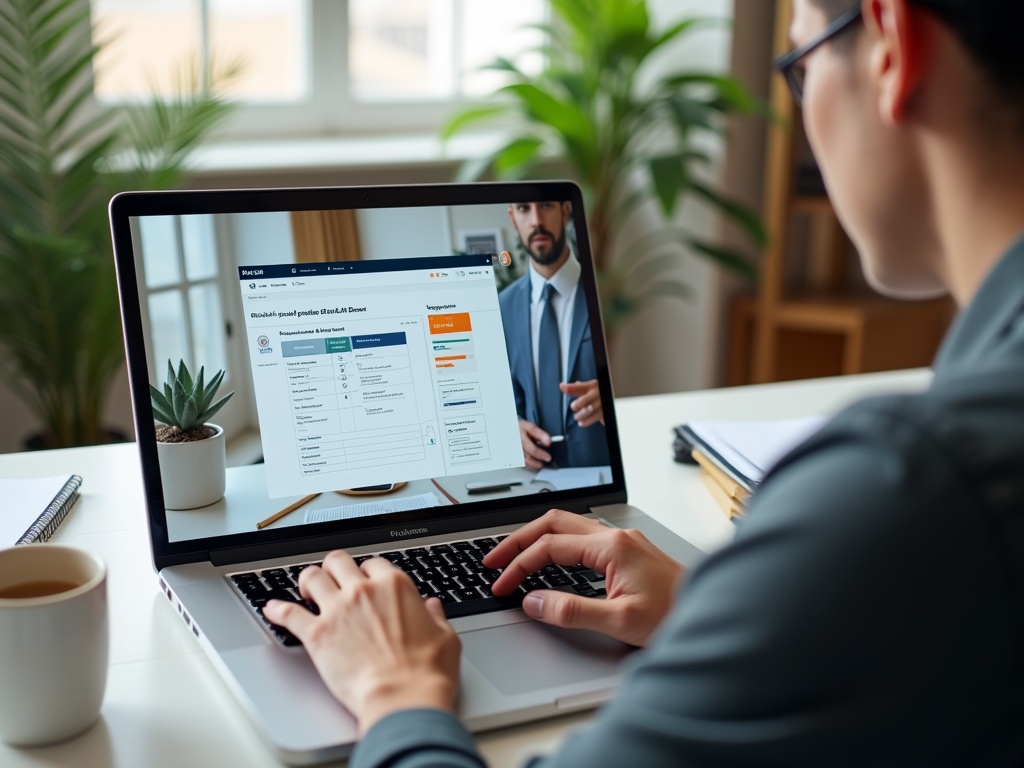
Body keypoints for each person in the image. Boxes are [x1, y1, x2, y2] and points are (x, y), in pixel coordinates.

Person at [265, 0, 1024, 764]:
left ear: (891, 45)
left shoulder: (914, 487)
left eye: (797, 67)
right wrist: (732, 617)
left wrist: (396, 694)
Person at [497, 200, 610, 469]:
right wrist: (511, 428)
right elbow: (502, 400)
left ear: (565, 212)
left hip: (602, 478)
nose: (536, 220)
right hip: (532, 483)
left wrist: (612, 406)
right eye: (524, 208)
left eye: (546, 205)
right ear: (514, 220)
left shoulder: (607, 294)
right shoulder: (502, 306)